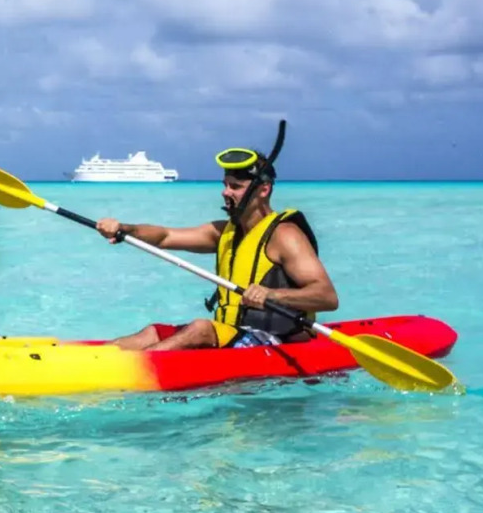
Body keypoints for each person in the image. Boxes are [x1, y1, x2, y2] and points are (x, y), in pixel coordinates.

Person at [96, 121, 338, 351]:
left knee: (200, 328)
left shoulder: (285, 235)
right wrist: (126, 229)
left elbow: (326, 296)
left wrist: (271, 294)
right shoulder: (224, 232)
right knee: (152, 333)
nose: (225, 192)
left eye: (235, 186)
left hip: (275, 341)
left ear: (263, 190)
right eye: (225, 184)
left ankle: (134, 370)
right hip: (232, 333)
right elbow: (165, 237)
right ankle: (90, 360)